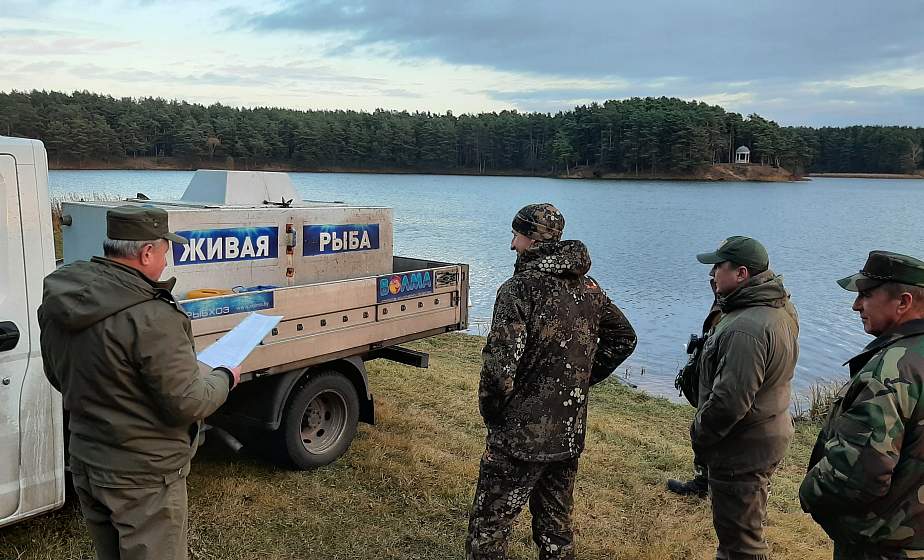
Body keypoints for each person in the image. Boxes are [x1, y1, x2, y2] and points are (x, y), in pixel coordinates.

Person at [38, 206, 240, 560]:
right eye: (165, 251)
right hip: (143, 477)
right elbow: (187, 404)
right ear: (147, 252)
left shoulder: (63, 294)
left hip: (88, 460)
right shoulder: (151, 314)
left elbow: (58, 375)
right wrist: (225, 377)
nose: (166, 261)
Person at [465, 203, 637, 560]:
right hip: (568, 433)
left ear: (531, 239)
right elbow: (624, 338)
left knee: (490, 526)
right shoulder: (589, 288)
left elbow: (498, 371)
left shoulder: (519, 289)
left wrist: (494, 416)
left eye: (516, 235)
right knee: (555, 528)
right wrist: (578, 382)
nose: (512, 245)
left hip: (519, 437)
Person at [800, 251, 924, 560]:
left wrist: (808, 493)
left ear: (904, 302)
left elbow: (857, 475)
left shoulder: (891, 370)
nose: (856, 306)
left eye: (866, 295)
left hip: (886, 547)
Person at [693, 236, 799, 560]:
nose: (711, 274)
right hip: (766, 430)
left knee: (741, 545)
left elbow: (729, 403)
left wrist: (700, 434)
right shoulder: (778, 306)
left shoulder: (746, 329)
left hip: (742, 445)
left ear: (741, 274)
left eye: (718, 267)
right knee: (745, 528)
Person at [667, 279, 723, 499]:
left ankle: (719, 489)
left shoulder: (751, 311)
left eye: (719, 266)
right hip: (711, 375)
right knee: (705, 427)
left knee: (715, 426)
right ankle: (703, 480)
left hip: (725, 379)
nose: (713, 273)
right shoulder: (728, 297)